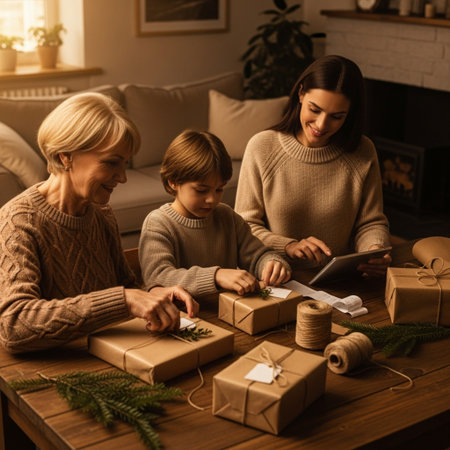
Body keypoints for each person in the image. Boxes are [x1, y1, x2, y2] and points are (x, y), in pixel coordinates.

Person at [0, 93, 198, 354]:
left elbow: (125, 287)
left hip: (111, 354)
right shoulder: (17, 221)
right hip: (56, 371)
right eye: (111, 163)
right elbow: (14, 326)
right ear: (65, 157)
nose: (123, 177)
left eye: (124, 164)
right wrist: (125, 300)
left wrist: (155, 295)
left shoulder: (100, 212)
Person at [235, 55, 391, 276]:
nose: (321, 125)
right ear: (300, 93)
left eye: (336, 116)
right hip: (277, 280)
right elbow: (244, 226)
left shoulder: (363, 151)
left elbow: (371, 222)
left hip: (343, 281)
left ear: (350, 113)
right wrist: (288, 246)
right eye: (315, 109)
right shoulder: (262, 147)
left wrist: (374, 249)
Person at [139, 130, 291, 297]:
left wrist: (271, 263)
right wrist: (216, 276)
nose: (212, 199)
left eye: (219, 189)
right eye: (201, 190)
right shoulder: (158, 223)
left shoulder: (227, 216)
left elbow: (257, 255)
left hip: (229, 312)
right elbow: (158, 277)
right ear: (173, 181)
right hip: (186, 318)